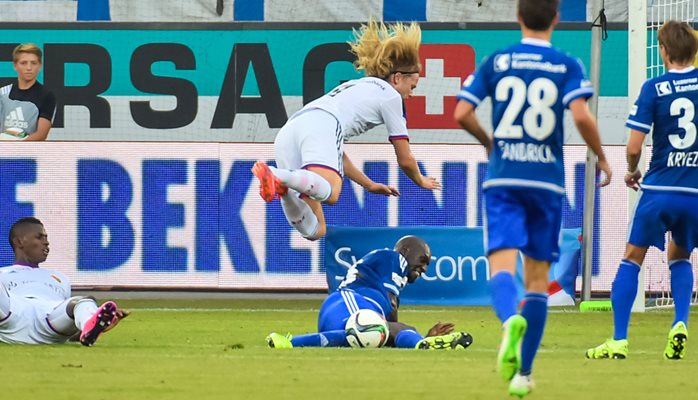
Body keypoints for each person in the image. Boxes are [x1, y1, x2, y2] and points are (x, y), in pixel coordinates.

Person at [453, 0, 612, 396]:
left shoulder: (497, 61)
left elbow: (461, 113)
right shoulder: (566, 64)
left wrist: (490, 142)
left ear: (518, 17)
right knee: (538, 282)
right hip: (546, 184)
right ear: (557, 19)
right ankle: (523, 374)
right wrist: (603, 157)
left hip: (505, 179)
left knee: (502, 270)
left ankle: (509, 321)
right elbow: (580, 116)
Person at [251, 20, 441, 241]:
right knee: (331, 192)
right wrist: (420, 180)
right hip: (321, 124)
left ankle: (281, 187)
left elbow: (335, 153)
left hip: (290, 130)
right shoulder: (391, 97)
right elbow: (405, 159)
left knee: (316, 230)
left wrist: (368, 184)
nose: (412, 93)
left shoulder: (359, 85)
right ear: (397, 78)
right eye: (412, 86)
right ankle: (277, 175)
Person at [586, 21, 698, 361]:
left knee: (632, 258)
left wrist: (632, 170)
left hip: (659, 188)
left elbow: (635, 144)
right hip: (694, 192)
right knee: (679, 256)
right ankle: (679, 322)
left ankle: (619, 340)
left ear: (662, 51)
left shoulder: (654, 88)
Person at [266, 235, 473, 350]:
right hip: (351, 301)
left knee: (371, 335)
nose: (425, 268)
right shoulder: (394, 258)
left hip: (339, 314)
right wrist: (405, 335)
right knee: (382, 329)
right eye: (423, 260)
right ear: (406, 252)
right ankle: (291, 342)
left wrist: (411, 337)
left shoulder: (384, 272)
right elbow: (391, 312)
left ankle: (422, 344)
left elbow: (387, 328)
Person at [0, 217, 128, 346]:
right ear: (19, 242)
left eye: (46, 238)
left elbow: (68, 325)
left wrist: (98, 326)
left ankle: (90, 322)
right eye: (39, 237)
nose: (46, 243)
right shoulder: (2, 273)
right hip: (11, 318)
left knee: (81, 301)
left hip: (49, 321)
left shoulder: (60, 278)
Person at [0, 43, 56, 141]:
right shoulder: (3, 93)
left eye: (33, 63)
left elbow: (41, 134)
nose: (29, 68)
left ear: (40, 66)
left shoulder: (47, 96)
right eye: (24, 63)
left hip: (30, 153)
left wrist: (17, 148)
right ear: (15, 66)